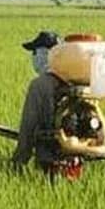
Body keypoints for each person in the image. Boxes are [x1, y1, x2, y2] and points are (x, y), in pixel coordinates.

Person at [11, 31, 83, 181]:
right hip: (75, 157)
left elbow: (28, 126)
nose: (34, 58)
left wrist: (19, 161)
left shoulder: (39, 85)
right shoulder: (74, 82)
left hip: (50, 159)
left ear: (45, 54)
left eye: (35, 53)